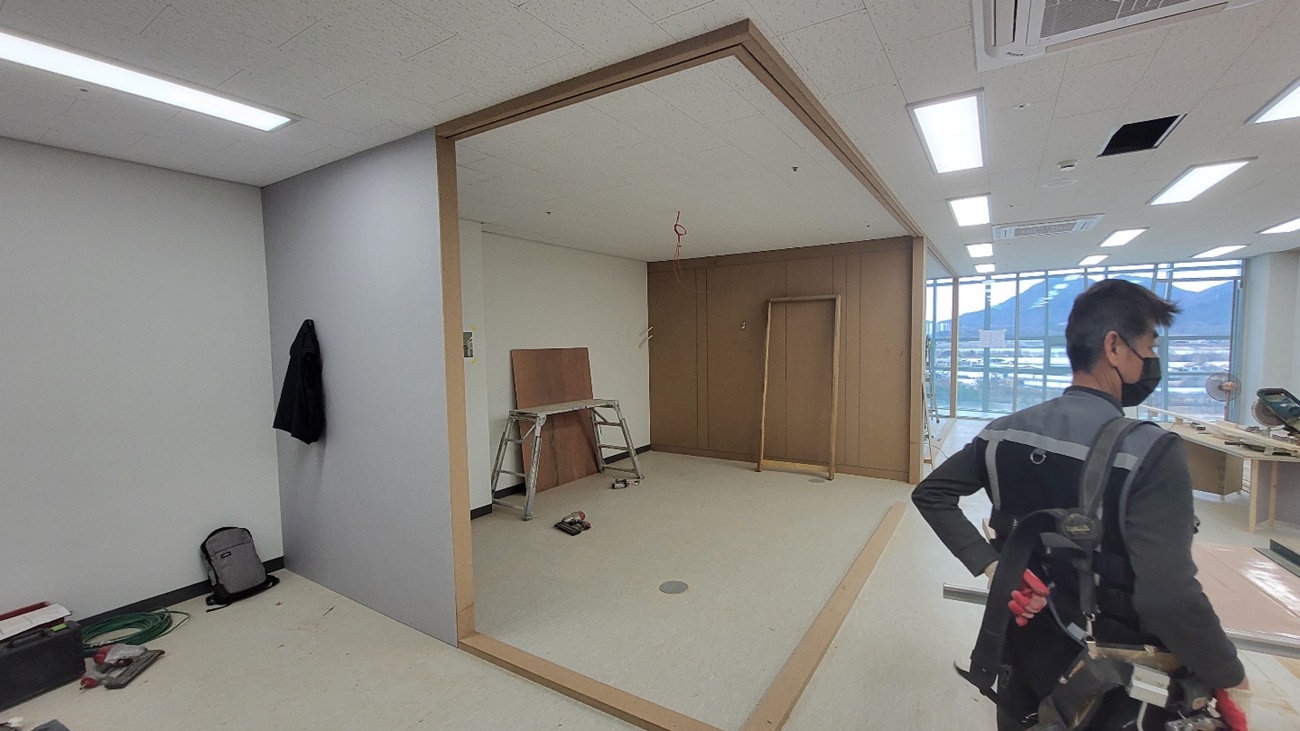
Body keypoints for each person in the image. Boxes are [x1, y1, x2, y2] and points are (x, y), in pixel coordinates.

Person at [913, 279, 1250, 730]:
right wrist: (1227, 672)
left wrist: (997, 567)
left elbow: (931, 493)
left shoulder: (1004, 432)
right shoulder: (1151, 452)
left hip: (1021, 653)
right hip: (1111, 678)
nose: (1152, 361)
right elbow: (1167, 596)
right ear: (1114, 347)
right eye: (1149, 347)